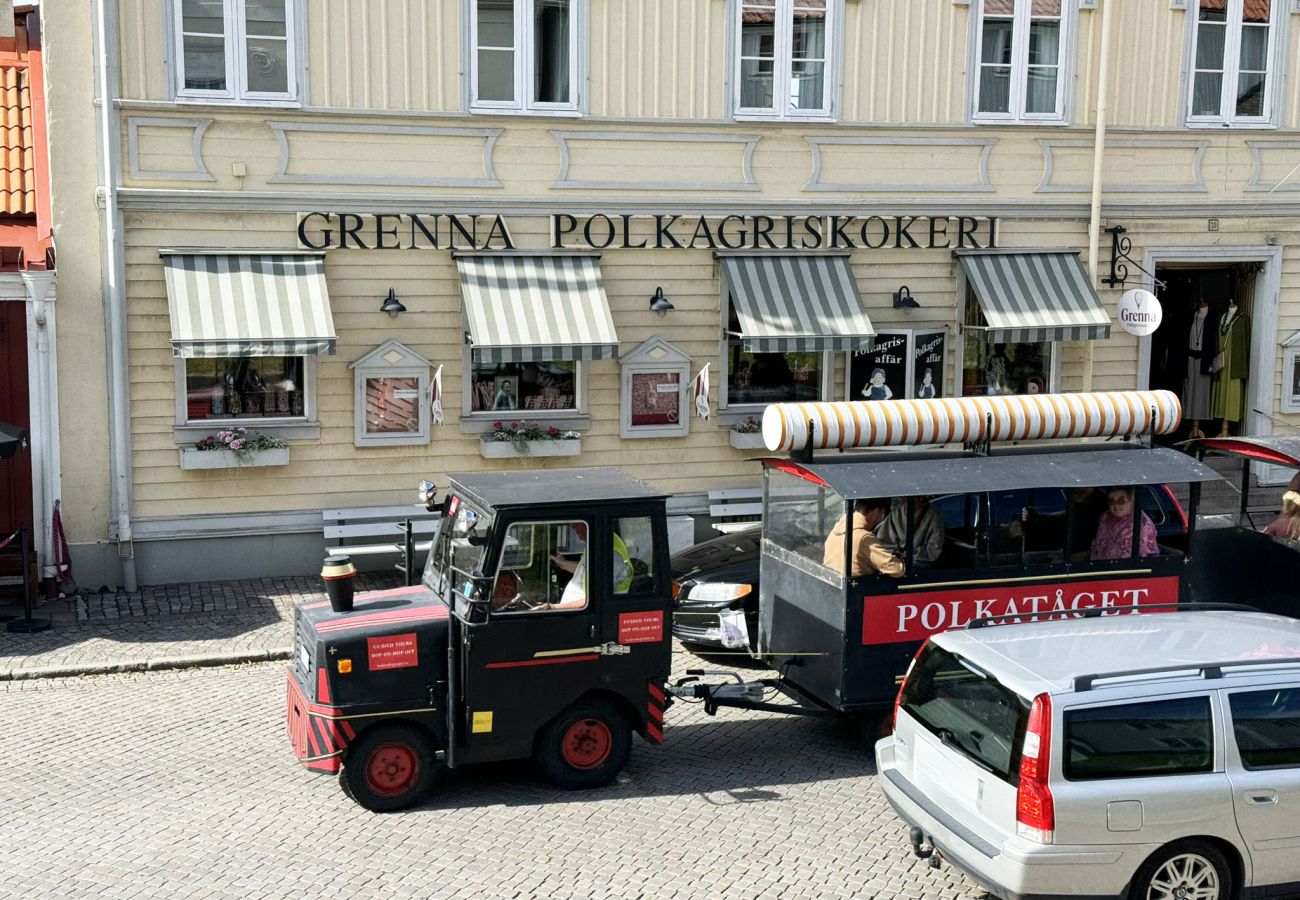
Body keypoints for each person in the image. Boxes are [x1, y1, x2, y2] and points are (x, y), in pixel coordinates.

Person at [823, 498, 905, 578]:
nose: (879, 518)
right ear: (875, 512)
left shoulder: (839, 526)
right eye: (881, 514)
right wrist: (901, 561)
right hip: (857, 588)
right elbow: (896, 569)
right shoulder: (864, 538)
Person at [1091, 487, 1159, 561]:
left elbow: (1128, 558)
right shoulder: (1106, 517)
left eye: (1121, 501)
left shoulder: (1140, 523)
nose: (1116, 506)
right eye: (1111, 501)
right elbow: (1097, 546)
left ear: (1131, 500)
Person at [877, 497, 945, 568]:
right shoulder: (896, 513)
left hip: (920, 561)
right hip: (897, 558)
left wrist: (914, 554)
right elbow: (884, 541)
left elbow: (934, 549)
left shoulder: (933, 517)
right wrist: (896, 554)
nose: (902, 500)